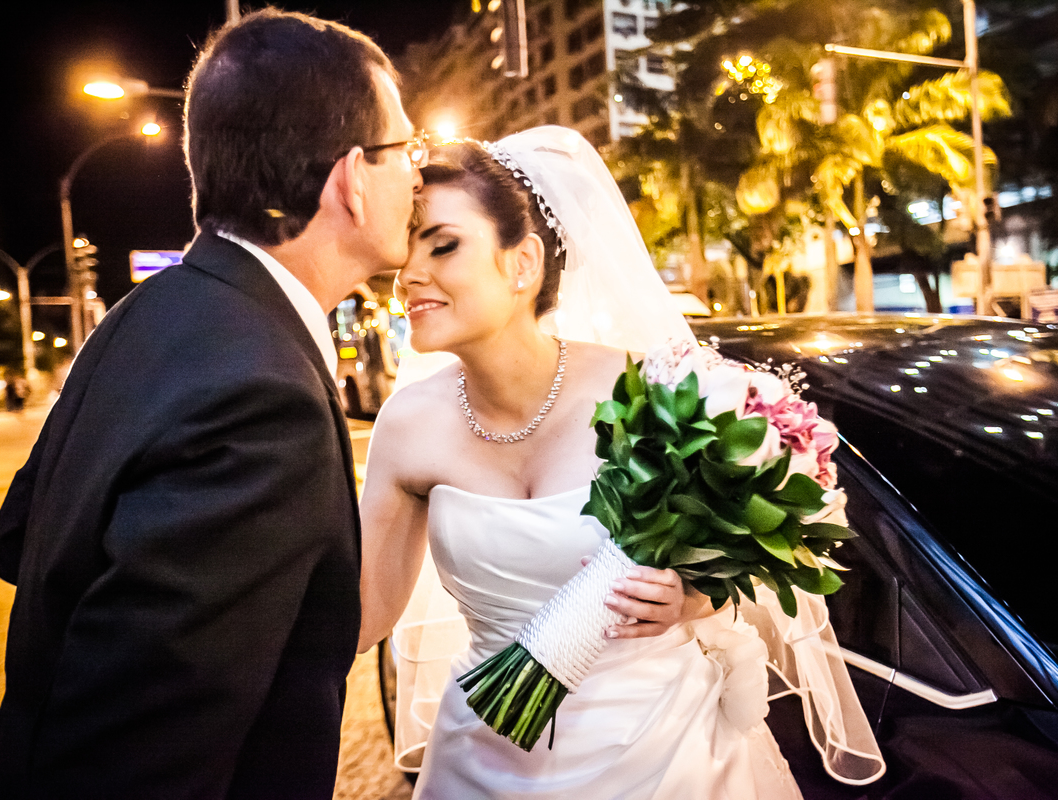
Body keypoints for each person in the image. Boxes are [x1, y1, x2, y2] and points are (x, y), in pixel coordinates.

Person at [0, 9, 423, 799]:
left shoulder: (145, 315)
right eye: (404, 150)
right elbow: (142, 756)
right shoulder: (260, 401)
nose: (418, 174)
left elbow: (19, 539)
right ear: (351, 177)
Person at [358, 127, 885, 798]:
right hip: (483, 759)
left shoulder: (654, 389)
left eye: (444, 246)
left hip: (664, 753)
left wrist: (690, 597)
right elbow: (363, 617)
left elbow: (745, 565)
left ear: (522, 265)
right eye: (407, 252)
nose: (411, 275)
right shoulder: (407, 426)